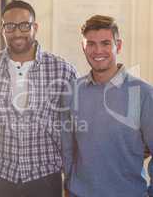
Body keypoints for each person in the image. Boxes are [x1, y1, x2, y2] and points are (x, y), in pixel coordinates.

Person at [0, 0, 77, 197]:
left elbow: (72, 128)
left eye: (24, 25)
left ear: (35, 27)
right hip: (0, 175)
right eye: (10, 26)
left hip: (45, 176)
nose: (17, 33)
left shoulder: (62, 69)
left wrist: (71, 176)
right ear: (2, 29)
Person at [61, 15, 153, 197]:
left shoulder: (143, 93)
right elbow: (68, 150)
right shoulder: (72, 92)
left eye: (105, 43)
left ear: (118, 46)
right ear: (83, 47)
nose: (98, 50)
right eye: (91, 44)